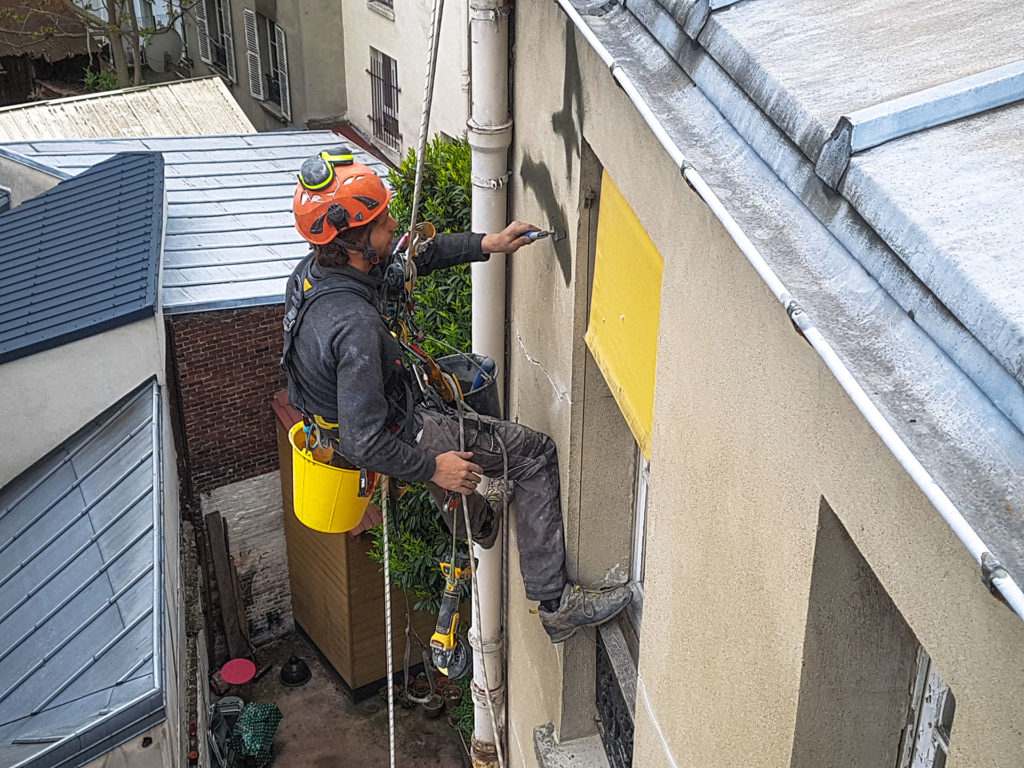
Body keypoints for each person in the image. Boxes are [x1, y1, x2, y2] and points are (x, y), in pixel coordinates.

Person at [282, 146, 630, 642]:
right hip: (403, 428)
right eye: (382, 222)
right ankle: (556, 604)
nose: (394, 224)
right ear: (356, 241)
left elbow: (412, 256)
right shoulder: (352, 325)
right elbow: (364, 443)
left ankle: (478, 516)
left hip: (389, 401)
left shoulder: (319, 274)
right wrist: (433, 468)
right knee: (533, 454)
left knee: (476, 375)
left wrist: (490, 242)